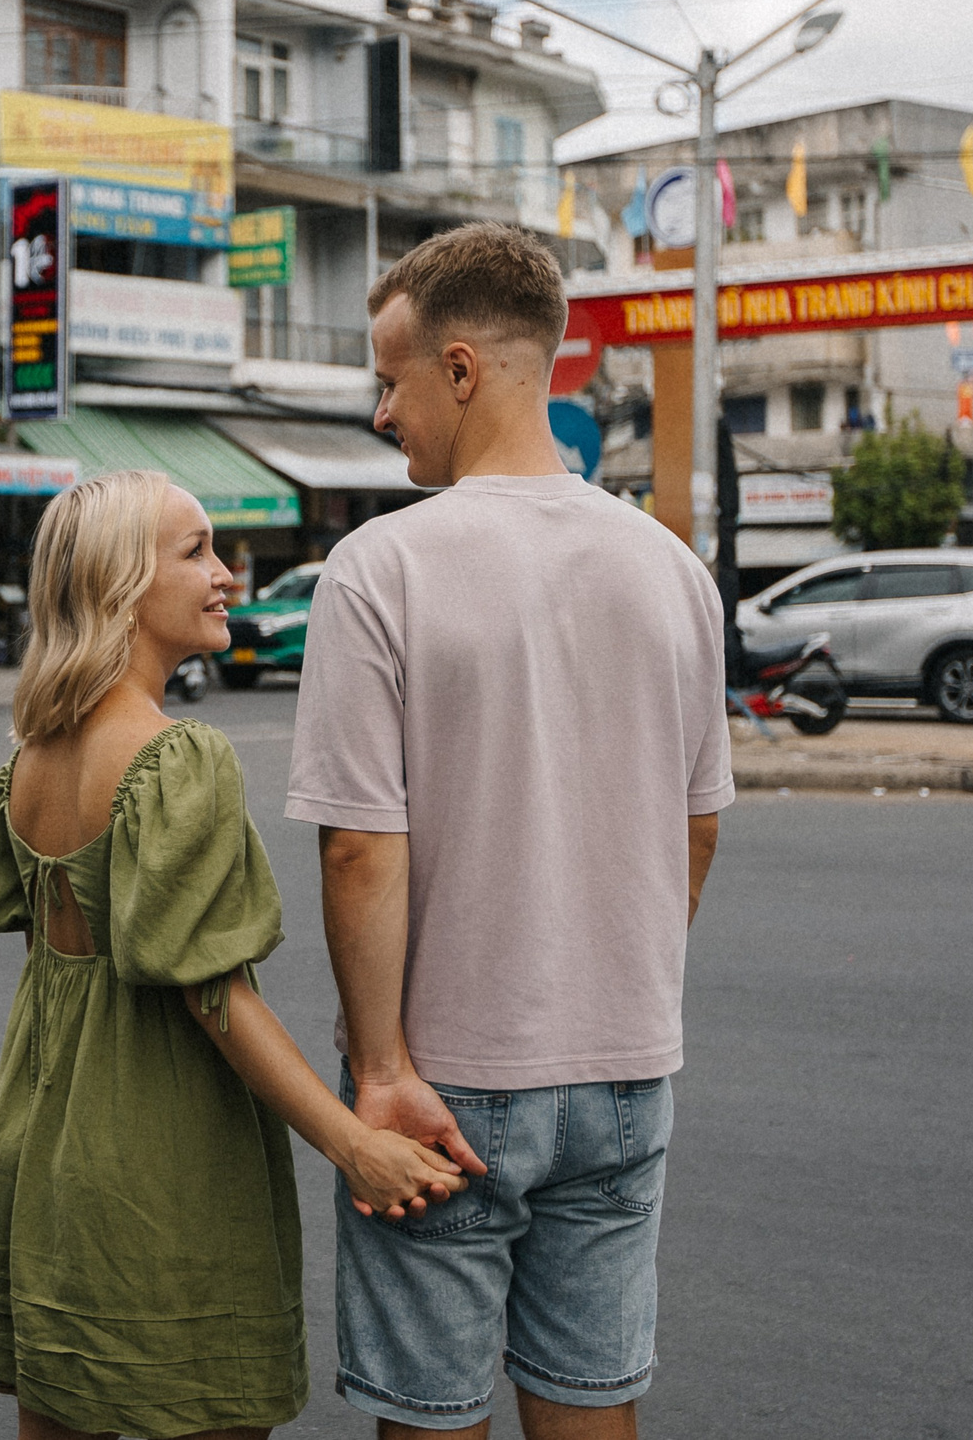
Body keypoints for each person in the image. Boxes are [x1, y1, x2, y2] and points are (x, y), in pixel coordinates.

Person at [285, 225, 732, 1438]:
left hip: (447, 1078)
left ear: (462, 369)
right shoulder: (672, 571)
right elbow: (695, 823)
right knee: (591, 1400)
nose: (382, 412)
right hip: (626, 1067)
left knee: (431, 1414)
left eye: (391, 380)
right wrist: (611, 987)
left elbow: (358, 849)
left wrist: (382, 1072)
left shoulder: (377, 569)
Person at [0, 471, 465, 1440]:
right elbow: (214, 996)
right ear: (121, 584)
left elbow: (54, 972)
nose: (226, 576)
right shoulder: (174, 758)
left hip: (45, 1156)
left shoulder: (29, 759)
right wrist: (354, 1144)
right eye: (195, 552)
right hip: (165, 1164)